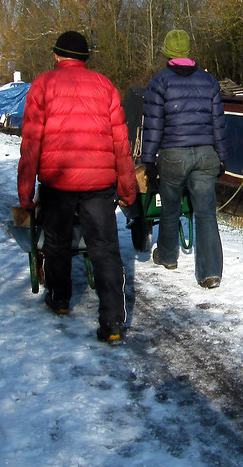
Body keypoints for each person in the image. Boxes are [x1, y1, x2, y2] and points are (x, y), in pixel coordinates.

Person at [17, 30, 138, 343]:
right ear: (85, 59)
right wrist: (127, 188)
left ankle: (59, 299)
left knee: (57, 244)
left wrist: (25, 192)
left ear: (57, 57)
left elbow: (31, 142)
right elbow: (121, 143)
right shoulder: (105, 86)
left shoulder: (42, 85)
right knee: (106, 250)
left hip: (58, 180)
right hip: (99, 184)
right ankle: (112, 323)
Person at [140, 29, 227, 289]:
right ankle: (210, 273)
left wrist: (148, 160)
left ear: (168, 52)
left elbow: (153, 125)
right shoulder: (209, 82)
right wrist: (221, 158)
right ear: (188, 51)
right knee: (206, 213)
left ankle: (168, 256)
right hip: (205, 154)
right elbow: (218, 124)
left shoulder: (159, 81)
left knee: (170, 207)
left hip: (173, 155)